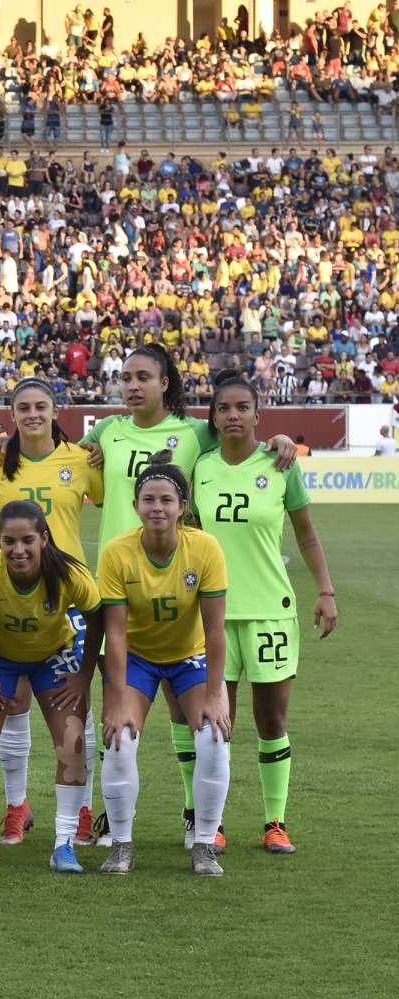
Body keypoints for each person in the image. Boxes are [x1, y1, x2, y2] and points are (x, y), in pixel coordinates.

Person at [75, 344, 294, 845]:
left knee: (187, 714)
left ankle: (202, 820)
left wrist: (278, 440)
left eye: (143, 377)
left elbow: (238, 441)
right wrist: (0, 444)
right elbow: (59, 451)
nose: (132, 386)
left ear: (165, 382)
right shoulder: (106, 430)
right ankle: (109, 818)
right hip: (118, 585)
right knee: (114, 715)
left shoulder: (196, 433)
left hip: (176, 591)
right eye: (125, 377)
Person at [192, 374, 336, 855]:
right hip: (213, 615)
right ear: (213, 418)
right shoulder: (200, 468)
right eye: (223, 408)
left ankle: (275, 821)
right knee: (215, 724)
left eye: (242, 407)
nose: (233, 415)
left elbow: (308, 535)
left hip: (271, 613)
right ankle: (211, 823)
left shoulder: (280, 464)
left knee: (272, 720)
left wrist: (326, 590)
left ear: (258, 414)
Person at [0, 377, 103, 846]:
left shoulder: (83, 460)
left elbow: (120, 496)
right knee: (10, 704)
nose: (32, 414)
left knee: (75, 710)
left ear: (55, 409)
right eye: (23, 406)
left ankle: (82, 811)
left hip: (69, 597)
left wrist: (101, 447)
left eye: (40, 406)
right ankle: (16, 808)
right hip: (9, 593)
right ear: (11, 414)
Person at [96, 455, 231, 877]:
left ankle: (205, 844)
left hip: (190, 657)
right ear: (136, 505)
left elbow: (214, 631)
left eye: (167, 500)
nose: (157, 507)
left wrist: (214, 694)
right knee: (119, 738)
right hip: (137, 657)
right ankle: (120, 844)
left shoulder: (205, 548)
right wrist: (116, 699)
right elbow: (114, 634)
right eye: (148, 499)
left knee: (212, 737)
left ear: (183, 506)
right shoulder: (117, 552)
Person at [0, 501, 104, 873]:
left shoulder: (69, 573)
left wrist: (84, 674)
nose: (18, 550)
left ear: (44, 538)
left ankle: (63, 845)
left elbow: (98, 616)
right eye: (9, 541)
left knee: (73, 742)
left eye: (28, 540)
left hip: (53, 655)